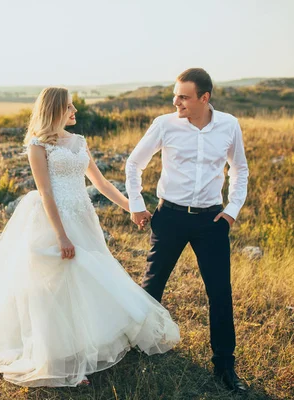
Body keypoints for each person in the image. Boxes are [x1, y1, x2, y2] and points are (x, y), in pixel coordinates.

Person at [0, 87, 180, 387]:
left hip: (83, 216)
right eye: (69, 106)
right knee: (54, 286)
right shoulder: (37, 145)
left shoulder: (79, 141)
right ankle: (57, 362)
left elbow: (101, 182)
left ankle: (82, 345)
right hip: (53, 221)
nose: (75, 111)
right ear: (55, 110)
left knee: (86, 281)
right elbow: (46, 193)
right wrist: (62, 237)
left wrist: (134, 208)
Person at [125, 68, 249, 394]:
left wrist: (231, 211)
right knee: (151, 288)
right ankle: (135, 350)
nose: (175, 101)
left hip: (211, 222)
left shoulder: (229, 125)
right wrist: (136, 204)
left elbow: (240, 169)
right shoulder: (164, 124)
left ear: (204, 98)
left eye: (183, 96)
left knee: (220, 294)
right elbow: (133, 164)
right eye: (175, 94)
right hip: (171, 218)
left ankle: (224, 366)